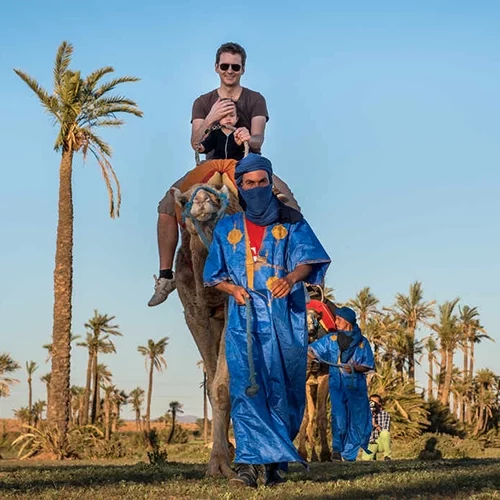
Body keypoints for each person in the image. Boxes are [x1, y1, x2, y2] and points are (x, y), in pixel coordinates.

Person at [203, 154, 330, 488]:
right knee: (247, 383)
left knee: (284, 385)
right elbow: (214, 273)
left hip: (285, 313)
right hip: (244, 316)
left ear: (270, 184)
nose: (257, 188)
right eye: (250, 183)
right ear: (241, 188)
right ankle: (247, 463)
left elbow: (309, 259)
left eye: (263, 182)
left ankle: (277, 460)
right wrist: (232, 288)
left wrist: (291, 278)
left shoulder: (292, 221)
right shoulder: (227, 227)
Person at [148, 42, 299, 307]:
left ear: (242, 69)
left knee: (286, 199)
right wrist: (211, 119)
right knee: (166, 206)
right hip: (210, 164)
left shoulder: (255, 99)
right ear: (217, 68)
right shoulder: (203, 102)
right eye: (225, 66)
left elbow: (258, 137)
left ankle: (297, 272)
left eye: (235, 66)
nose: (230, 71)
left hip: (245, 162)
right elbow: (196, 143)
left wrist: (247, 136)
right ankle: (165, 276)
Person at [308, 306, 375, 461]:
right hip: (337, 386)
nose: (335, 322)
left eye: (338, 319)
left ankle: (349, 455)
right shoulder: (331, 340)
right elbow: (313, 349)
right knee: (339, 418)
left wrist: (353, 368)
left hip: (356, 388)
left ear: (347, 322)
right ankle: (337, 451)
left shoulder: (362, 343)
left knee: (356, 421)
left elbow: (368, 365)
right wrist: (308, 353)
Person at [361, 394, 392, 461]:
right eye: (371, 402)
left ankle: (387, 456)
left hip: (381, 442)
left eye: (375, 403)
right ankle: (373, 456)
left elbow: (385, 432)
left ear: (380, 404)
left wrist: (375, 425)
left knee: (385, 433)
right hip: (371, 442)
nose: (373, 404)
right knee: (366, 460)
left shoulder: (385, 414)